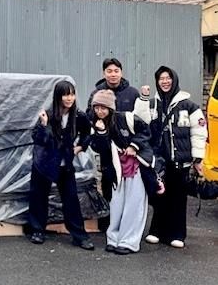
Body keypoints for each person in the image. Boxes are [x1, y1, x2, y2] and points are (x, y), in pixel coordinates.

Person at [89, 90, 164, 254]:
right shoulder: (96, 124)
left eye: (103, 108)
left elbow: (146, 131)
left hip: (137, 166)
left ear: (111, 108)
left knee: (134, 204)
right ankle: (113, 239)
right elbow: (99, 149)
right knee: (116, 205)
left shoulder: (126, 118)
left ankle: (129, 242)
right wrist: (101, 132)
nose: (100, 111)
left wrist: (133, 146)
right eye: (97, 107)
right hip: (116, 170)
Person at [26, 80, 95, 250]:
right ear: (58, 96)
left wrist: (80, 147)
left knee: (71, 198)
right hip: (44, 162)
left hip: (65, 164)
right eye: (65, 94)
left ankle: (79, 236)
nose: (69, 98)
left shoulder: (78, 116)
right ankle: (37, 231)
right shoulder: (48, 115)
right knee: (39, 196)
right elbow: (38, 140)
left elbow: (87, 133)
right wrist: (43, 124)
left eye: (72, 94)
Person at [145, 66, 207, 248]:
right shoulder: (153, 104)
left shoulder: (189, 106)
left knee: (179, 198)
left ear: (174, 80)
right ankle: (156, 231)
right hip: (160, 161)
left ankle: (178, 234)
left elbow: (199, 132)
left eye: (168, 78)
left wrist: (197, 159)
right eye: (161, 78)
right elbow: (142, 123)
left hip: (181, 160)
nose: (165, 81)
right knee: (159, 196)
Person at [86, 57, 140, 232]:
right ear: (104, 73)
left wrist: (134, 145)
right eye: (109, 71)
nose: (113, 74)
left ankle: (125, 221)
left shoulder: (132, 93)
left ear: (121, 72)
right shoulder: (96, 93)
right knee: (107, 183)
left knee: (129, 185)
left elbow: (140, 121)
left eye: (116, 71)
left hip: (128, 149)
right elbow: (89, 116)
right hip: (105, 147)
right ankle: (107, 222)